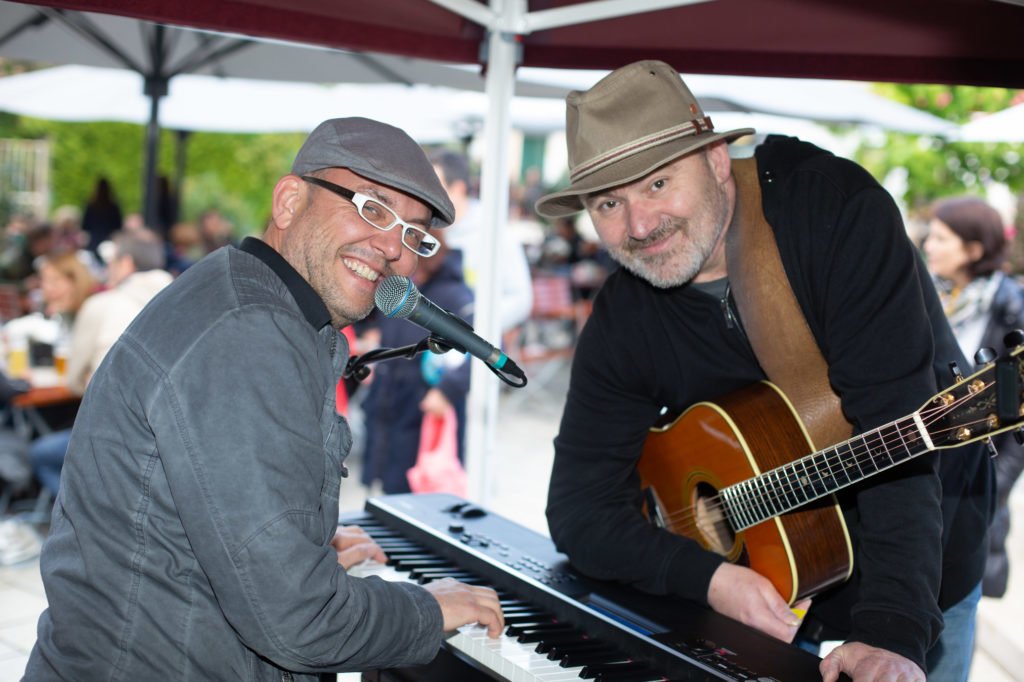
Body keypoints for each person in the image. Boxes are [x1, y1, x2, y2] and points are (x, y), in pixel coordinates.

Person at [536, 60, 993, 682]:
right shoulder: (625, 314)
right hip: (756, 592)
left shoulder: (833, 215)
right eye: (608, 201)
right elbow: (578, 509)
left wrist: (893, 633)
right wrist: (712, 579)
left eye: (658, 184)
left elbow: (899, 437)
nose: (639, 226)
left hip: (917, 572)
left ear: (717, 160)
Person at [25, 117, 504, 680]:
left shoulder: (245, 296)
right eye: (372, 209)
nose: (391, 248)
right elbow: (301, 622)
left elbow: (191, 513)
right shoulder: (249, 331)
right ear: (288, 202)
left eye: (413, 235)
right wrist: (429, 609)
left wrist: (303, 542)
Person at [923, 195, 1024, 599]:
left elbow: (1015, 410)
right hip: (922, 471)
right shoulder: (925, 295)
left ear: (973, 250)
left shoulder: (1008, 313)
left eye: (941, 238)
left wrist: (989, 487)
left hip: (971, 490)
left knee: (957, 601)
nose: (928, 245)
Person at [29, 228, 174, 499]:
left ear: (126, 264)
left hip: (110, 437)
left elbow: (73, 383)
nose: (106, 271)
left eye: (110, 263)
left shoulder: (103, 304)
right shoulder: (181, 303)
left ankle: (81, 517)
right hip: (167, 441)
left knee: (38, 454)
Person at [359, 230, 473, 494]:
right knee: (386, 488)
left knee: (416, 495)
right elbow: (372, 323)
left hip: (423, 408)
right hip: (388, 402)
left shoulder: (455, 295)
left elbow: (485, 346)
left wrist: (447, 390)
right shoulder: (400, 286)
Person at [429, 149, 533, 333]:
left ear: (458, 188)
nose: (428, 195)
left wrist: (473, 323)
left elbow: (521, 298)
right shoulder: (425, 229)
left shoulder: (494, 232)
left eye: (434, 188)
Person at [81, 177, 123, 254]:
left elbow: (85, 226)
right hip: (108, 241)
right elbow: (118, 226)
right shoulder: (113, 207)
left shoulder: (91, 206)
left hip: (93, 241)